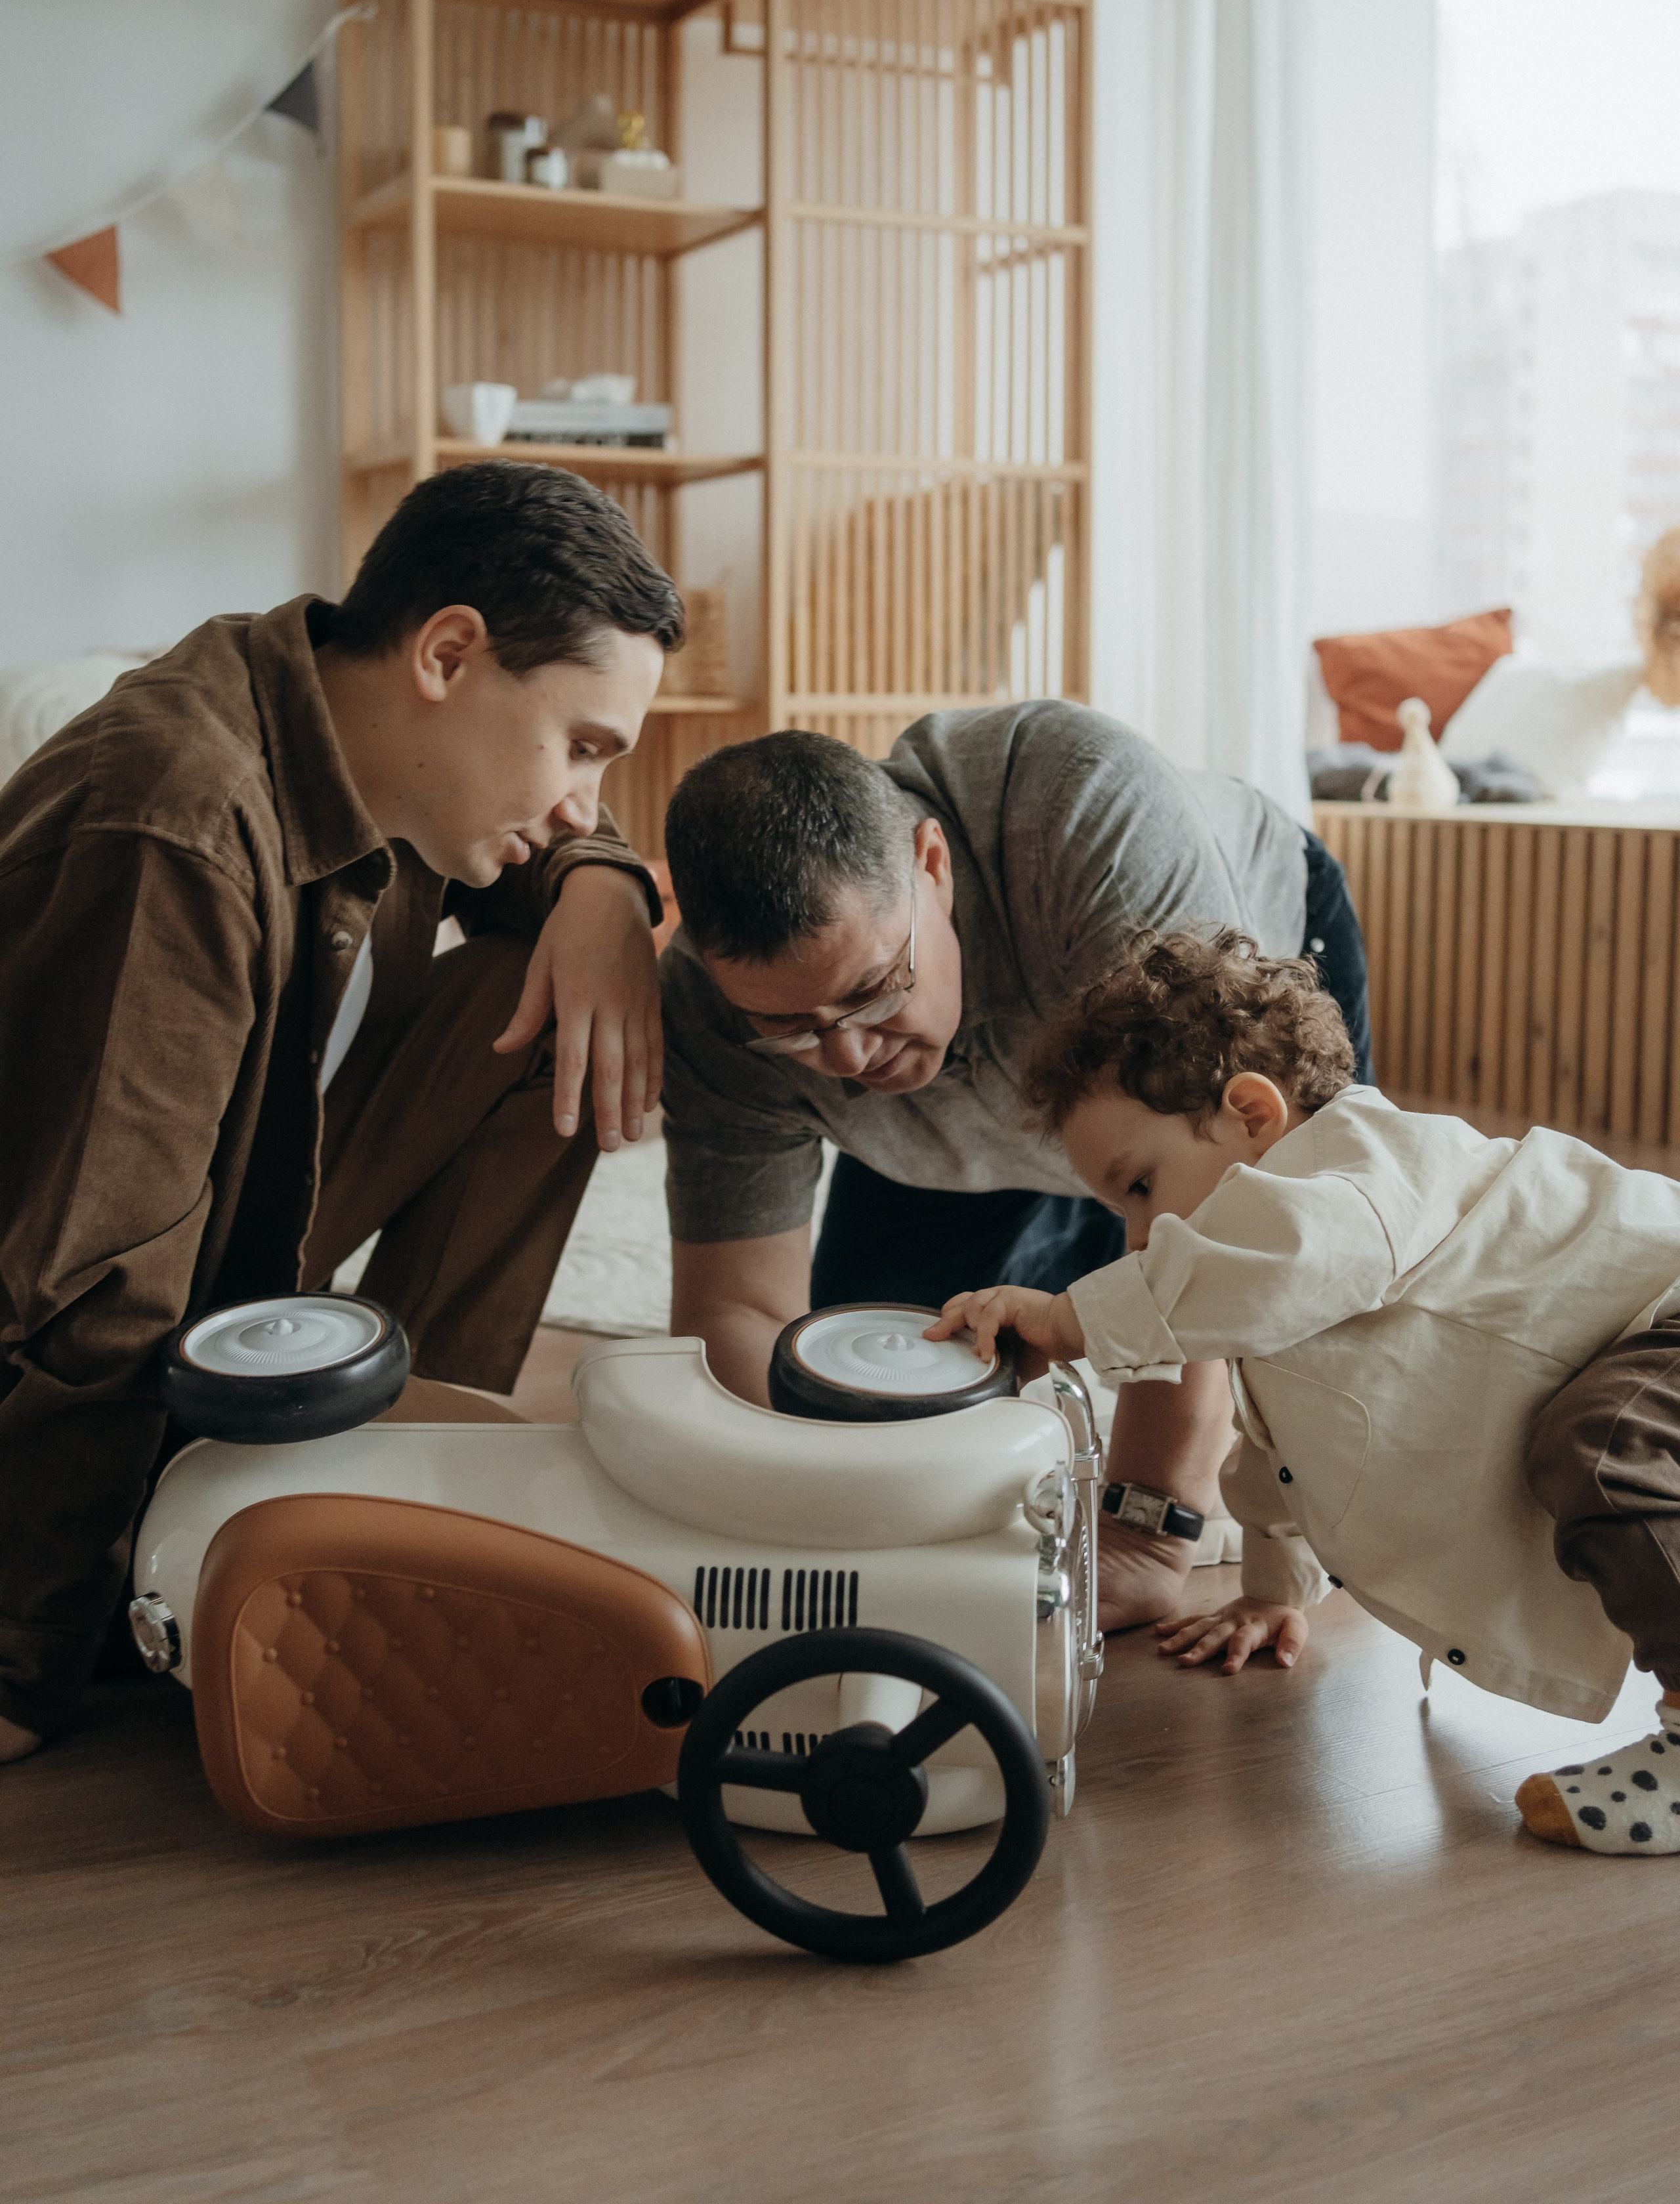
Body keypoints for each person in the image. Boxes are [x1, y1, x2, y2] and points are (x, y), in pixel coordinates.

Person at [0, 461, 683, 1764]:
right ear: (446, 655)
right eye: (583, 746)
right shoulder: (181, 820)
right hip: (53, 1356)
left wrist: (602, 884)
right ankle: (183, 1552)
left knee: (532, 1001)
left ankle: (401, 1513)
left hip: (226, 1257)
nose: (585, 794)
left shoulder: (378, 748)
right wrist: (25, 1661)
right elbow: (91, 1277)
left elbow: (565, 857)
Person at [929, 926, 1680, 1855]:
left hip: (1667, 1311)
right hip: (1640, 1346)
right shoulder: (1273, 1296)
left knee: (1604, 1450)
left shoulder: (1363, 1167)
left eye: (1140, 1187)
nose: (1133, 1238)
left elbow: (1295, 1256)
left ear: (1252, 1112)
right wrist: (1276, 1591)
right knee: (1597, 1448)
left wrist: (1074, 1320)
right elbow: (1284, 1458)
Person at [658, 704, 1372, 1634]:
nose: (846, 1059)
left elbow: (1207, 1222)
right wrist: (795, 1516)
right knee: (869, 1393)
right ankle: (1071, 1224)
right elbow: (738, 1312)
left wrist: (1150, 1531)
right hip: (966, 1114)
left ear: (931, 863)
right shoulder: (713, 1008)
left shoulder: (1086, 814)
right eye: (791, 1028)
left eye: (874, 990)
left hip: (1217, 1027)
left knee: (1305, 1314)